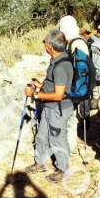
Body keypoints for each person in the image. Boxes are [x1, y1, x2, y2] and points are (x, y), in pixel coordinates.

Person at [25, 29, 74, 183]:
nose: (44, 44)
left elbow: (59, 95)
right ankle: (40, 163)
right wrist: (40, 85)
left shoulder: (60, 66)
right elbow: (54, 84)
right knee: (41, 135)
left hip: (58, 109)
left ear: (50, 46)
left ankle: (62, 169)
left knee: (57, 139)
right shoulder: (57, 61)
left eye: (44, 42)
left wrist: (35, 95)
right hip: (50, 107)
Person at [58, 15, 90, 154]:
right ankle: (71, 144)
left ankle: (69, 146)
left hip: (74, 87)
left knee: (69, 117)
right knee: (73, 115)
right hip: (83, 85)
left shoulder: (74, 44)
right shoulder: (81, 41)